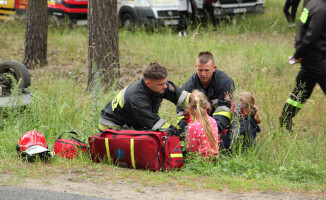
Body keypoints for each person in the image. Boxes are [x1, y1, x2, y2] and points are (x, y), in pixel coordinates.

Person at [99, 62, 190, 136]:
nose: (165, 86)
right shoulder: (136, 97)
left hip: (131, 122)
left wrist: (198, 103)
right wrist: (178, 134)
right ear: (148, 83)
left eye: (165, 82)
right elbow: (154, 124)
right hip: (111, 127)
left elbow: (183, 97)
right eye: (161, 84)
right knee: (149, 143)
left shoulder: (159, 85)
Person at [279, 0, 326, 131]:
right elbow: (311, 36)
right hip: (316, 57)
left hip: (310, 56)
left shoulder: (311, 4)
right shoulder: (321, 8)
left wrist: (300, 53)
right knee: (301, 91)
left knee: (301, 92)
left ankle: (284, 120)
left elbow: (303, 30)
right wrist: (299, 54)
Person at [184, 90, 220, 157]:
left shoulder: (193, 126)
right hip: (214, 158)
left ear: (190, 108)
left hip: (199, 162)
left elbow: (191, 149)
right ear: (207, 105)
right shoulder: (213, 121)